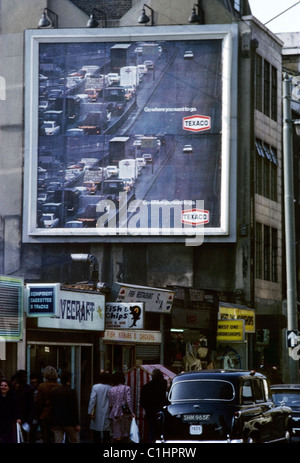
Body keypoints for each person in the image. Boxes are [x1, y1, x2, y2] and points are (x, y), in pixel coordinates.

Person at [49, 371, 81, 443]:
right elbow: (74, 409)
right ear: (69, 379)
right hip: (69, 421)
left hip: (57, 421)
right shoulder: (71, 392)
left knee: (58, 440)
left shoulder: (54, 392)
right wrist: (77, 423)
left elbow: (52, 408)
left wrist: (52, 422)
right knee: (74, 440)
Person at [140, 368, 169, 442]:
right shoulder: (163, 385)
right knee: (163, 431)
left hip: (150, 412)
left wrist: (148, 408)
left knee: (151, 431)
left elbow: (142, 402)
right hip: (162, 411)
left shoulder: (145, 387)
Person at [36, 365, 61, 443]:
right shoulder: (59, 386)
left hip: (45, 414)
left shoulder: (42, 386)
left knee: (46, 436)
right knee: (56, 436)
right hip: (57, 414)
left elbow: (39, 402)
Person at [108, 371, 133, 443]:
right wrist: (131, 412)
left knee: (116, 433)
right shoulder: (126, 388)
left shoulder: (111, 390)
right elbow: (128, 401)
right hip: (124, 413)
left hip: (114, 413)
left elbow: (110, 404)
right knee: (125, 431)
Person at [88, 371, 112, 443]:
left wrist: (90, 412)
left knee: (96, 431)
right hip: (107, 411)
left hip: (97, 412)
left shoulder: (95, 387)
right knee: (106, 431)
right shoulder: (111, 388)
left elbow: (92, 400)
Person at [13, 370, 35, 443]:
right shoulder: (16, 388)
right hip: (21, 415)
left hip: (24, 416)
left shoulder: (27, 389)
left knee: (23, 436)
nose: (25, 378)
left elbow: (31, 405)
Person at [0, 378, 22, 443]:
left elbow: (17, 409)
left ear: (9, 387)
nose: (3, 387)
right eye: (1, 385)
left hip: (9, 423)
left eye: (5, 386)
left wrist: (18, 418)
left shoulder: (13, 397)